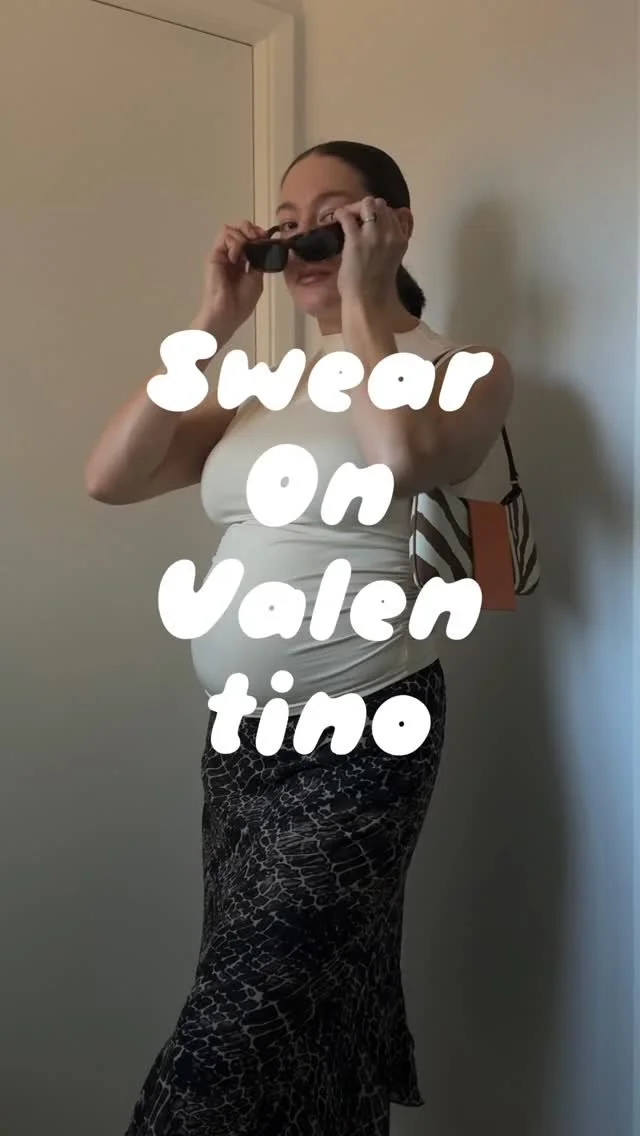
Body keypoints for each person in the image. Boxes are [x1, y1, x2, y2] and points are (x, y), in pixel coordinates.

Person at [85, 140, 513, 1136]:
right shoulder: (267, 386)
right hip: (241, 739)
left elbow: (401, 459)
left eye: (332, 218)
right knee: (311, 1014)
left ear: (392, 226)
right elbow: (112, 476)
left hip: (368, 735)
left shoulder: (461, 369)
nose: (300, 240)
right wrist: (213, 323)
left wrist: (363, 302)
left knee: (228, 1045)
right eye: (285, 225)